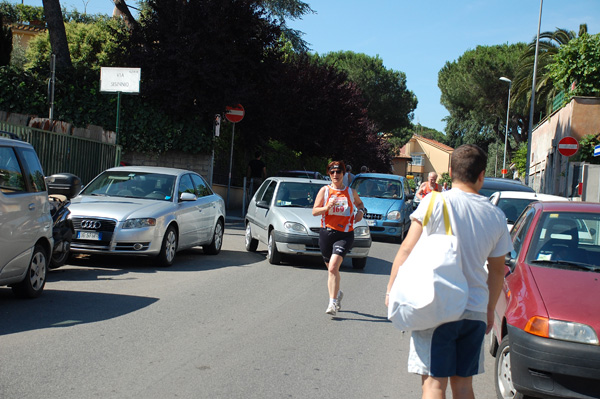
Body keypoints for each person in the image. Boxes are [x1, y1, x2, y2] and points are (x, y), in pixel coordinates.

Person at [385, 144, 512, 399]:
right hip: (475, 310)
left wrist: (391, 289)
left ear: (450, 171)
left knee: (434, 384)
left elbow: (407, 250)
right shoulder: (496, 215)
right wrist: (488, 311)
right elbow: (498, 272)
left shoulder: (434, 202)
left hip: (438, 305)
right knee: (464, 385)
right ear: (481, 175)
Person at [312, 161, 366, 316]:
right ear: (329, 174)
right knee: (331, 270)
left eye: (338, 172)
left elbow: (360, 204)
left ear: (344, 174)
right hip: (326, 234)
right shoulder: (325, 191)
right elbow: (315, 211)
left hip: (345, 234)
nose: (335, 175)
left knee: (333, 267)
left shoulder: (350, 192)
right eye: (332, 172)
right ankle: (337, 293)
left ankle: (332, 303)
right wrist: (327, 208)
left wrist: (361, 211)